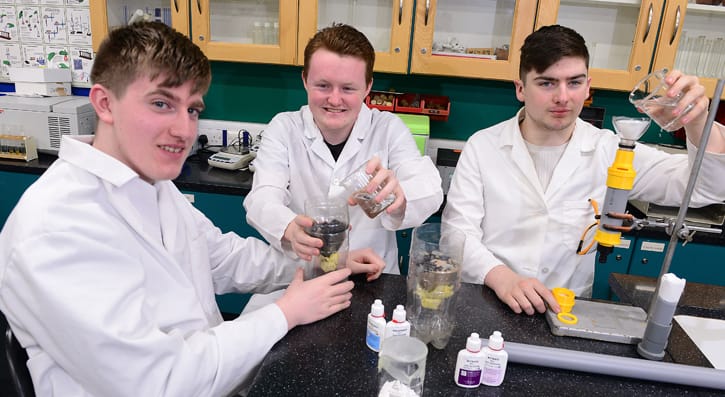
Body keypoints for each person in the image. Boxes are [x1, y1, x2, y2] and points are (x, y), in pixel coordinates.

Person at [0, 21, 384, 396]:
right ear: (104, 103)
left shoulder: (150, 185)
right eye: (162, 103)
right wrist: (284, 313)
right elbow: (157, 381)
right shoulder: (57, 227)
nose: (184, 130)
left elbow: (222, 258)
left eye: (192, 109)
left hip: (215, 375)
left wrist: (326, 264)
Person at [442, 25, 725, 316]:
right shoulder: (484, 146)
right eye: (547, 83)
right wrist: (502, 277)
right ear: (520, 89)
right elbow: (456, 234)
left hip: (565, 312)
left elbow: (706, 187)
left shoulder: (610, 150)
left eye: (574, 83)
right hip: (486, 299)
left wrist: (696, 120)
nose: (563, 97)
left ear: (588, 86)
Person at [243, 23, 443, 275]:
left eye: (348, 88)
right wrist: (288, 228)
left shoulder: (388, 128)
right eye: (323, 86)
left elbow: (429, 188)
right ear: (305, 80)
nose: (335, 100)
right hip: (302, 273)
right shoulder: (283, 129)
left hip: (374, 277)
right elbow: (263, 197)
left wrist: (402, 196)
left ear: (368, 87)